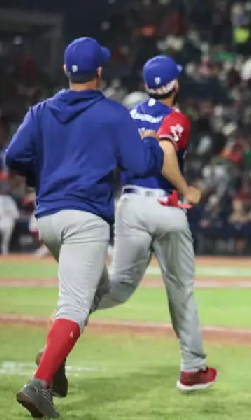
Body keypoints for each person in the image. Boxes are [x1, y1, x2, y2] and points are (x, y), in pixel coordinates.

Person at [4, 37, 164, 417]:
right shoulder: (112, 113)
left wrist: (42, 175)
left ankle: (54, 358)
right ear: (100, 73)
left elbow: (13, 157)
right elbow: (139, 166)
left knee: (99, 287)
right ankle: (39, 383)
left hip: (47, 220)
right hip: (85, 218)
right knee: (75, 303)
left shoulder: (41, 110)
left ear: (65, 71)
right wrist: (153, 144)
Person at [90, 55, 217, 392]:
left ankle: (70, 314)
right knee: (181, 290)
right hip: (164, 205)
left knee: (118, 286)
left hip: (129, 202)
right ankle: (192, 368)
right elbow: (166, 154)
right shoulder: (175, 117)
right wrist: (187, 189)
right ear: (175, 85)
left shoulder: (127, 113)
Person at [0, 186, 19, 255]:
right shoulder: (10, 200)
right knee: (5, 241)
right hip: (8, 222)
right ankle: (5, 253)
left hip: (7, 221)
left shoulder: (10, 200)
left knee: (5, 241)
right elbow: (16, 215)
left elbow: (16, 214)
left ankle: (5, 253)